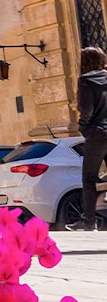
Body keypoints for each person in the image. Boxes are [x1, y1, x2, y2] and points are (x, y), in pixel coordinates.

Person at [67, 46, 107, 231]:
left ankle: (89, 221)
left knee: (89, 178)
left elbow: (87, 111)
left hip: (97, 134)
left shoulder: (85, 80)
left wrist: (83, 127)